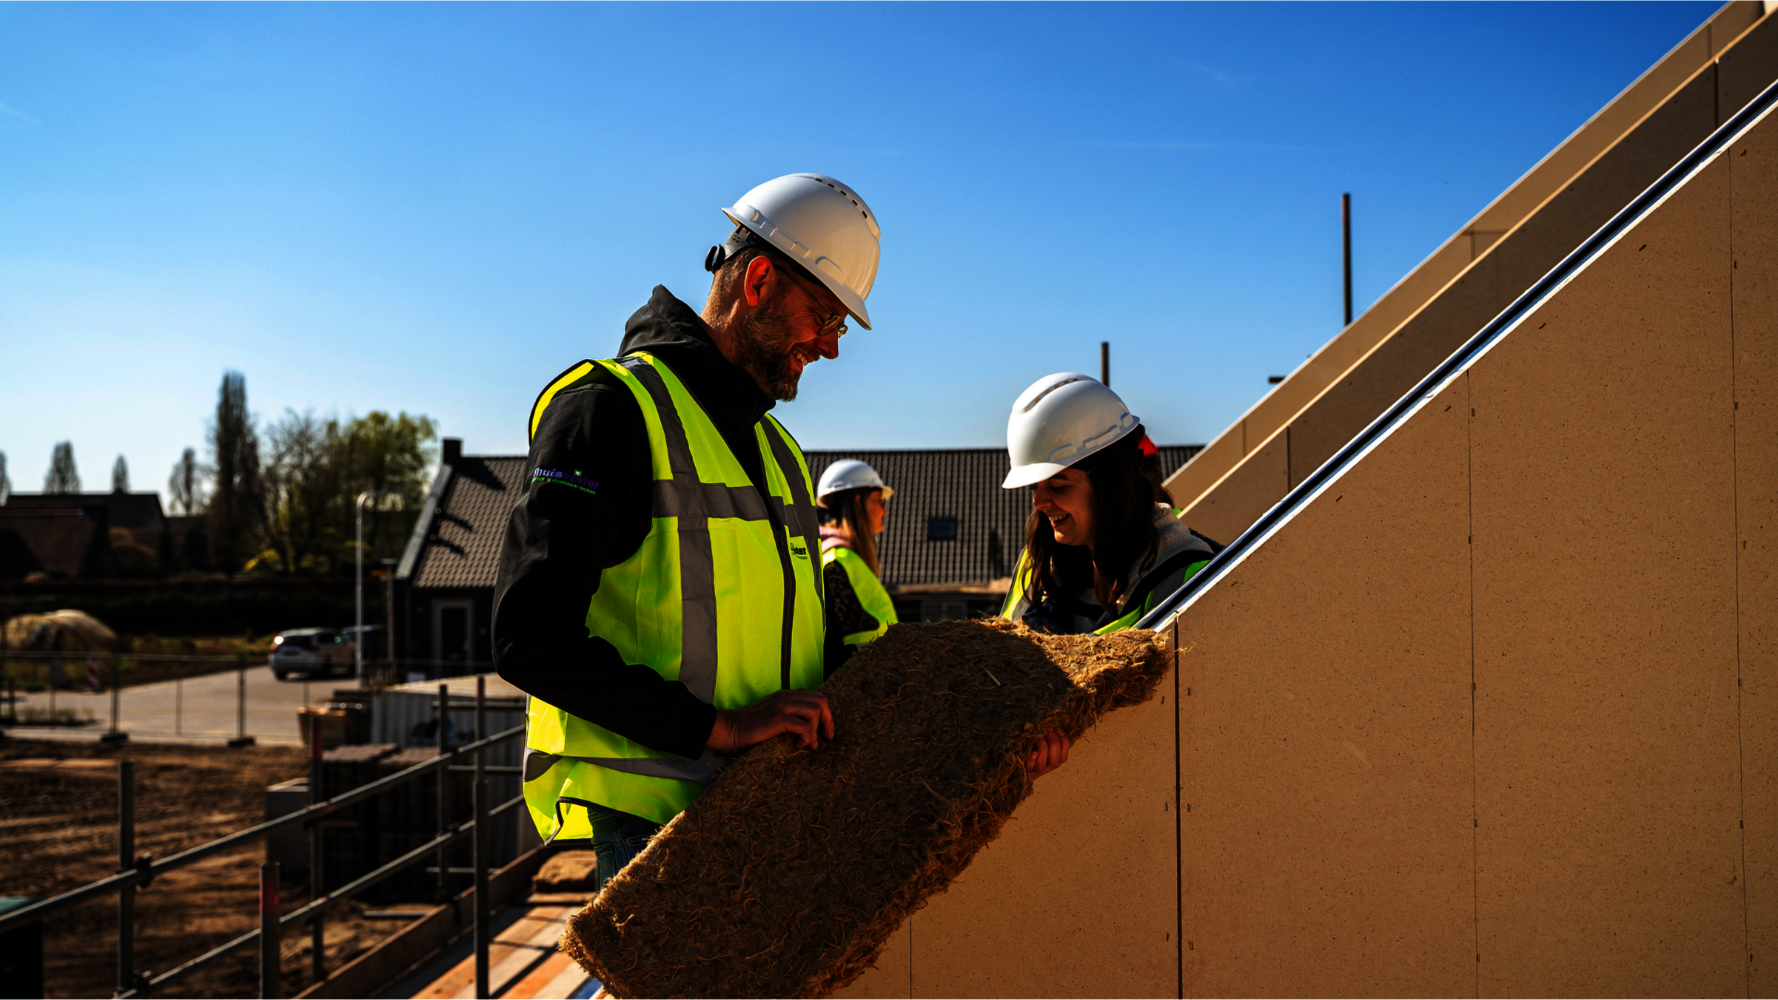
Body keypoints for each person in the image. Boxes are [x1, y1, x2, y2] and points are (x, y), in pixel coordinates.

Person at [492, 173, 880, 885]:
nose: (828, 348)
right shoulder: (608, 412)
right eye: (822, 317)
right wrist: (720, 731)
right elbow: (528, 636)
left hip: (769, 811)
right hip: (657, 832)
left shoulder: (780, 454)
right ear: (758, 279)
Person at [1000, 373, 1216, 636]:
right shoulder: (1036, 564)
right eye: (1034, 487)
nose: (1039, 501)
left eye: (1058, 486)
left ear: (1111, 483)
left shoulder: (1185, 576)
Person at [815, 459, 898, 674]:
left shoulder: (838, 556)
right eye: (880, 501)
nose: (884, 511)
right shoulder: (838, 561)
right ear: (859, 501)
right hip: (859, 681)